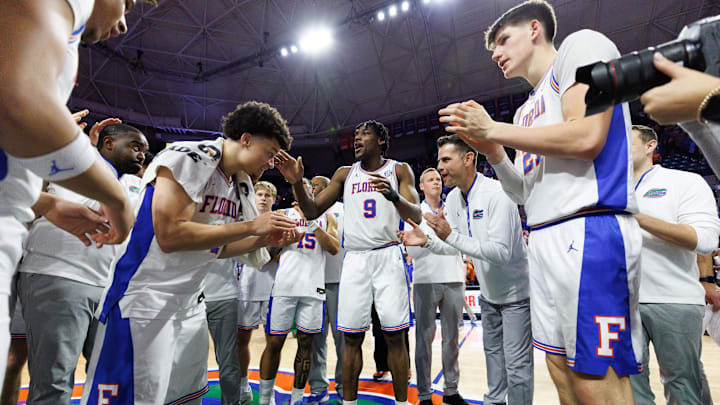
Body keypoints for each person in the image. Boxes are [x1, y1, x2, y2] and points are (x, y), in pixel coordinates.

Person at [438, 1, 643, 402]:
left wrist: (495, 128)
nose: (496, 53)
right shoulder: (525, 110)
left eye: (502, 40)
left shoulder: (581, 48)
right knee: (561, 370)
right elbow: (521, 193)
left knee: (595, 376)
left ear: (534, 29)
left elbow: (585, 137)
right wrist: (495, 151)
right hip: (545, 238)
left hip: (589, 228)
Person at [80, 101, 300, 405]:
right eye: (270, 152)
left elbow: (216, 248)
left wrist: (262, 237)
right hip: (143, 300)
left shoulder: (239, 184)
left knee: (186, 398)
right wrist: (251, 226)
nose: (272, 163)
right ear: (246, 139)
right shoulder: (191, 155)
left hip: (190, 303)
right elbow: (170, 235)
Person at [0, 0, 157, 382]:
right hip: (53, 274)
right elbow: (18, 103)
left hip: (93, 279)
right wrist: (114, 196)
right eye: (128, 2)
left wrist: (47, 204)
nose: (123, 24)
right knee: (51, 378)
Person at [274, 120, 422, 405]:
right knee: (351, 338)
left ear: (380, 140)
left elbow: (414, 213)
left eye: (364, 134)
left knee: (395, 336)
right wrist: (296, 183)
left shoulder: (399, 169)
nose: (356, 139)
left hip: (388, 254)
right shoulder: (344, 174)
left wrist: (393, 196)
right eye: (354, 135)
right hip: (354, 260)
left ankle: (403, 402)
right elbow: (312, 209)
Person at [17, 124, 147, 404]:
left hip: (105, 288)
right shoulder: (73, 162)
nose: (141, 155)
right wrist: (81, 145)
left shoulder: (129, 183)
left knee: (104, 379)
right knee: (54, 382)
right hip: (58, 276)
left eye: (145, 151)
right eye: (136, 146)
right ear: (108, 143)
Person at [399, 135, 532, 405]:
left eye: (446, 160)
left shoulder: (498, 193)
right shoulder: (457, 200)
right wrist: (429, 242)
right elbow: (454, 246)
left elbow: (501, 253)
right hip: (489, 295)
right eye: (439, 162)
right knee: (493, 362)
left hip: (517, 295)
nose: (441, 168)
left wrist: (449, 236)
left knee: (517, 370)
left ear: (468, 158)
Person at [628, 125, 720, 404]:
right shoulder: (602, 188)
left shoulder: (684, 182)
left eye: (625, 140)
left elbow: (704, 239)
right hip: (619, 302)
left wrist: (638, 217)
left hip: (673, 298)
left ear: (650, 145)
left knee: (682, 386)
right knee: (631, 389)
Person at [258, 179, 339, 405]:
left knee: (306, 346)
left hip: (313, 289)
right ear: (294, 191)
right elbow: (268, 253)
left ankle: (296, 399)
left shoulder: (327, 217)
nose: (306, 191)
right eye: (300, 188)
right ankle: (265, 399)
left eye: (308, 188)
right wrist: (282, 242)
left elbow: (333, 248)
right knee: (274, 344)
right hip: (284, 286)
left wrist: (311, 222)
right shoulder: (283, 214)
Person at [403, 167, 468, 405]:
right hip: (425, 280)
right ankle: (424, 394)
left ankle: (451, 389)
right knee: (424, 340)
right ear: (421, 186)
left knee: (451, 339)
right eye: (430, 179)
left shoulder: (454, 207)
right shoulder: (414, 212)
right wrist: (435, 239)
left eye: (438, 179)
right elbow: (411, 251)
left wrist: (440, 236)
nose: (436, 182)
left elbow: (463, 242)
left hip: (453, 278)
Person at [237, 181, 280, 405]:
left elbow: (275, 254)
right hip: (246, 286)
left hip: (274, 288)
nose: (263, 198)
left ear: (274, 199)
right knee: (241, 339)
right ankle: (243, 385)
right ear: (253, 198)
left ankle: (267, 392)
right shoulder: (244, 220)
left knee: (273, 342)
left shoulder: (280, 221)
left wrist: (257, 243)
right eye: (259, 194)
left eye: (267, 195)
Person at [307, 175, 346, 404]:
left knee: (342, 339)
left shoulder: (344, 209)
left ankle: (343, 385)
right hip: (311, 283)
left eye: (319, 185)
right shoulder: (306, 210)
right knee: (315, 340)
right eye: (311, 185)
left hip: (339, 281)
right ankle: (318, 387)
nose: (314, 189)